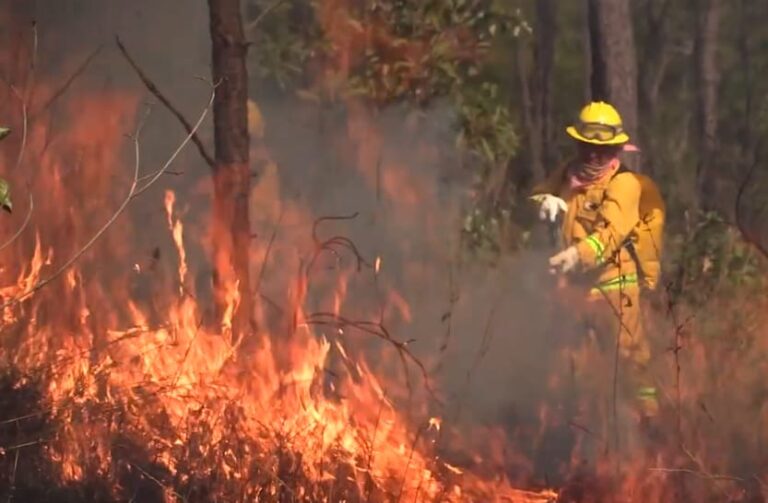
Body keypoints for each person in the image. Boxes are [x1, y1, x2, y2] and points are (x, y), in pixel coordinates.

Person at [530, 101, 665, 423]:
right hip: (573, 290)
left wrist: (577, 256)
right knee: (570, 363)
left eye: (602, 150)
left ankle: (650, 424)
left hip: (614, 287)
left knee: (629, 360)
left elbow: (611, 234)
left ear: (616, 148)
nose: (593, 155)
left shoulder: (625, 184)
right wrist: (542, 201)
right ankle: (578, 428)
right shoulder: (566, 174)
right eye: (587, 147)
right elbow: (535, 195)